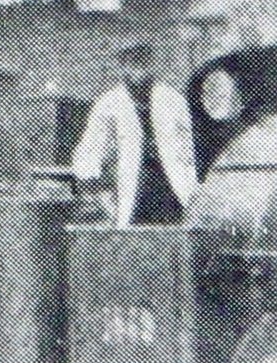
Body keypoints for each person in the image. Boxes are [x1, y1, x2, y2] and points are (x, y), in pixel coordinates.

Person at [72, 42, 199, 226]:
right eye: (130, 61)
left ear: (152, 63)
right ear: (122, 65)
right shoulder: (109, 104)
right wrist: (95, 187)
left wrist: (192, 184)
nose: (138, 68)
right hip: (132, 190)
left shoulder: (173, 100)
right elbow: (90, 150)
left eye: (143, 60)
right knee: (135, 246)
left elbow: (189, 147)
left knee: (172, 243)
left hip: (171, 190)